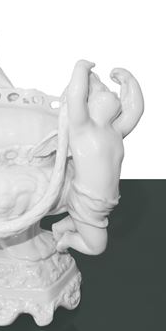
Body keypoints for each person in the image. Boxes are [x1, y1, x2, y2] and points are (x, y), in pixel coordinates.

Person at [53, 60, 143, 254]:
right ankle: (66, 239)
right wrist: (81, 67)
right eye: (103, 90)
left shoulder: (115, 130)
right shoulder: (83, 128)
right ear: (88, 104)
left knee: (86, 226)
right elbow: (75, 97)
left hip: (101, 205)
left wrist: (129, 81)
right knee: (97, 247)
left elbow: (135, 111)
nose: (112, 92)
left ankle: (62, 227)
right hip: (87, 202)